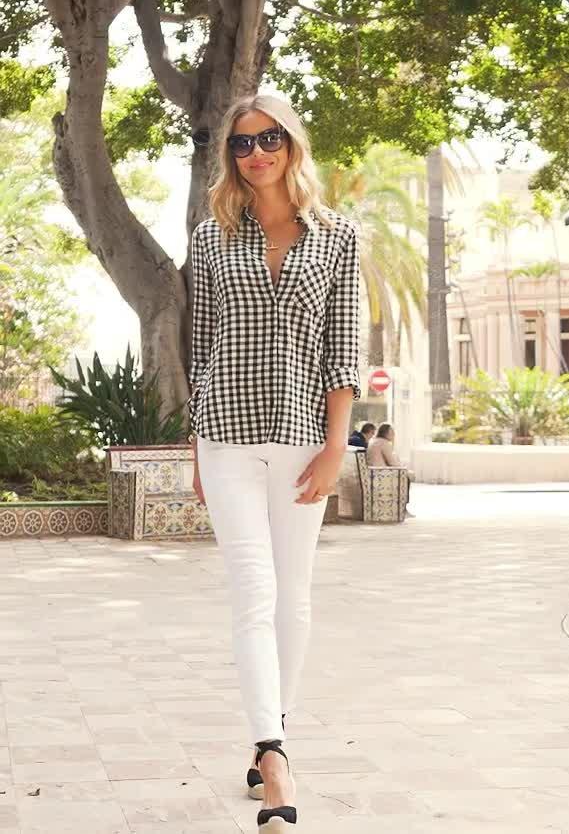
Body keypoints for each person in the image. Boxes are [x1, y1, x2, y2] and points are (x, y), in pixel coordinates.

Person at [187, 93, 361, 832]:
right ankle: (274, 756)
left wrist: (336, 446)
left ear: (292, 144)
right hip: (225, 434)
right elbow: (200, 348)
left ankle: (271, 736)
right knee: (253, 591)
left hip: (301, 439)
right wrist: (197, 450)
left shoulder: (338, 236)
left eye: (268, 139)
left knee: (294, 597)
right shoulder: (211, 237)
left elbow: (344, 347)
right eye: (241, 144)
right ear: (229, 156)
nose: (255, 153)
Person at [366, 422, 414, 517]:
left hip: (373, 473)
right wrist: (406, 470)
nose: (393, 435)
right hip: (381, 474)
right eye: (392, 432)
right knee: (406, 477)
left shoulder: (374, 441)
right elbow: (393, 463)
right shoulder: (384, 443)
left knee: (405, 474)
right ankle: (403, 509)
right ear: (386, 433)